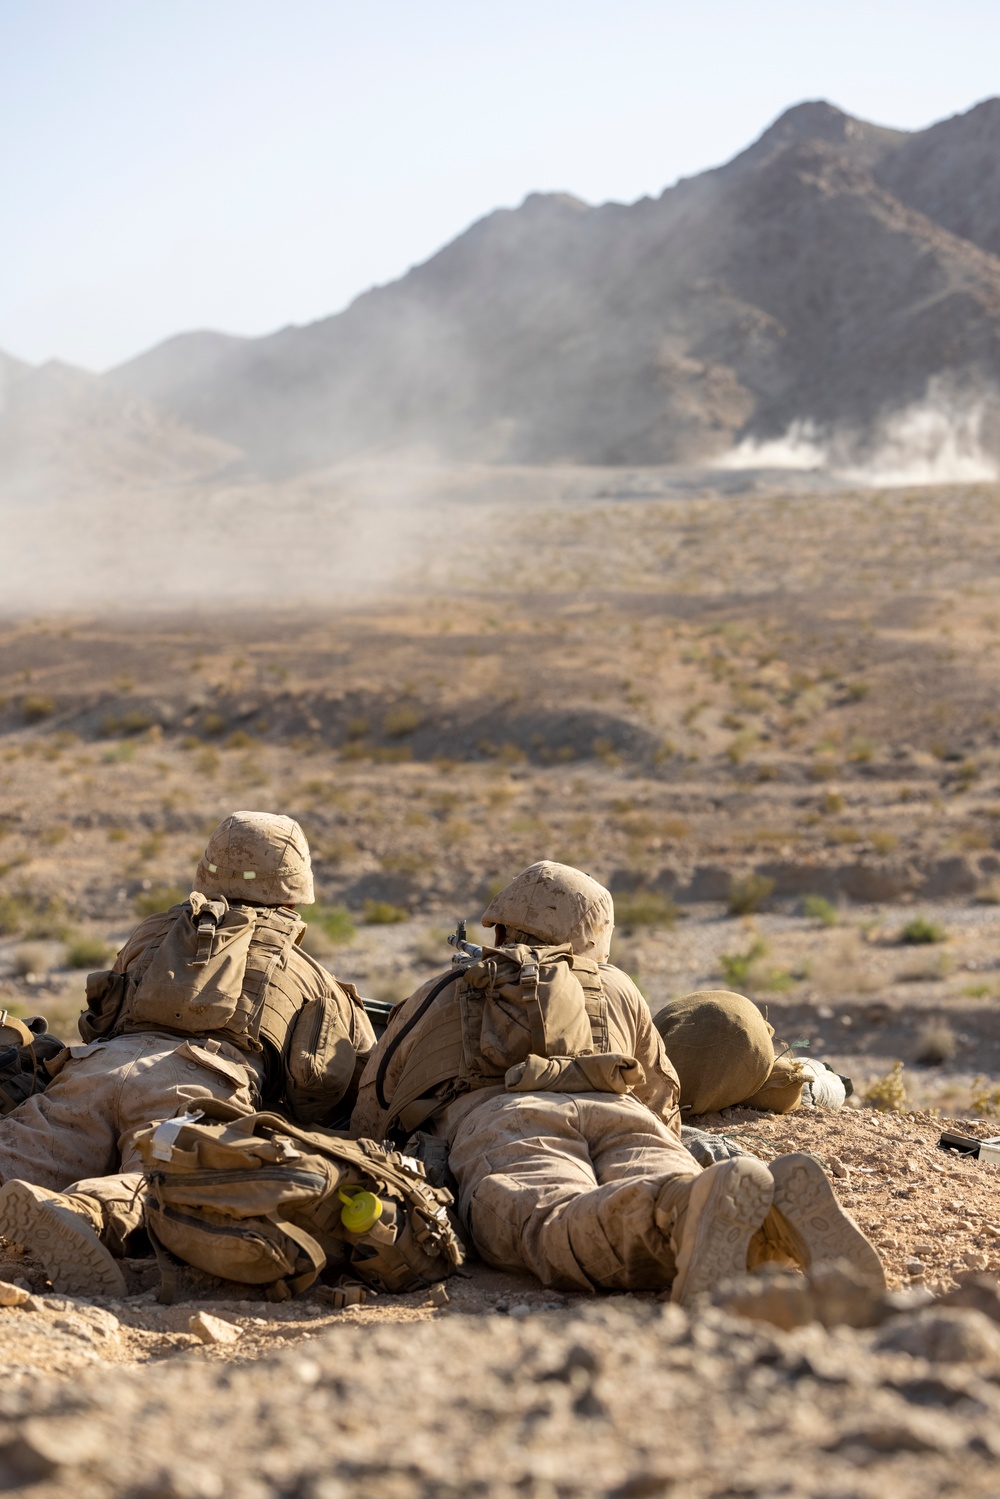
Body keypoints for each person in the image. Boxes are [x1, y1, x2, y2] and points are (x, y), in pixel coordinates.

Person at [352, 861, 884, 1302]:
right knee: (655, 1168)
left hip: (507, 1121)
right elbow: (662, 1095)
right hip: (622, 1108)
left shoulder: (450, 986)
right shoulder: (617, 986)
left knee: (550, 1224)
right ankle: (724, 1200)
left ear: (499, 928)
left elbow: (377, 1096)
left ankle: (683, 1219)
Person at [0, 810, 375, 1296]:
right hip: (198, 1083)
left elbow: (100, 1018)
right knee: (161, 1174)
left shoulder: (151, 934)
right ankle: (83, 1212)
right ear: (295, 891)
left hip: (97, 1068)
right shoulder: (309, 975)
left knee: (23, 1150)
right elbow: (353, 1088)